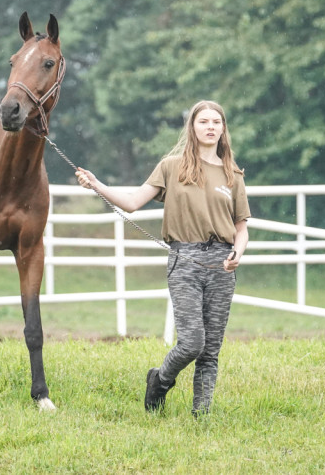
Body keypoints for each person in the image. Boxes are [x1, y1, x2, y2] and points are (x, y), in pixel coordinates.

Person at [75, 100, 251, 416]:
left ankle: (202, 416)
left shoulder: (233, 175)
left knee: (210, 351)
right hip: (184, 259)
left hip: (222, 264)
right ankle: (160, 379)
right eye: (203, 122)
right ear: (193, 128)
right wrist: (97, 185)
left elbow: (241, 228)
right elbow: (131, 203)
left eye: (216, 122)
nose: (210, 127)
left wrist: (238, 251)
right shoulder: (171, 167)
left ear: (223, 129)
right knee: (192, 343)